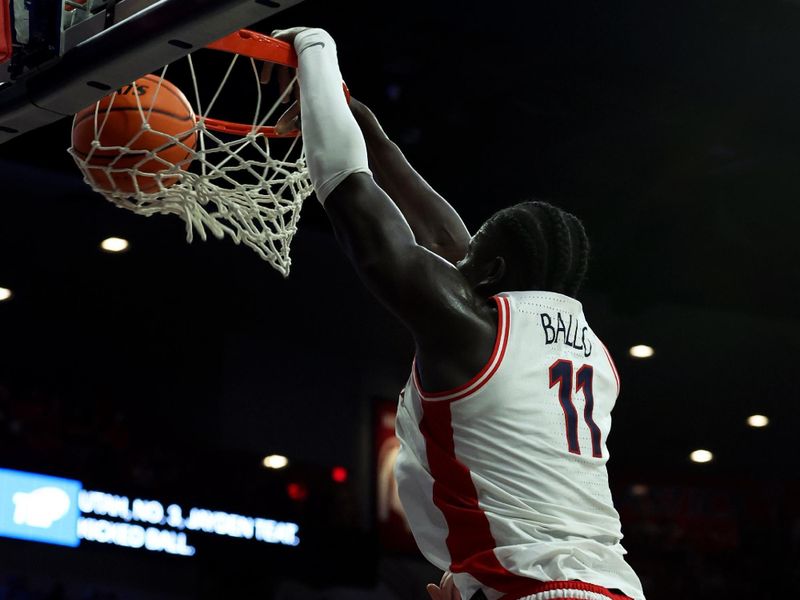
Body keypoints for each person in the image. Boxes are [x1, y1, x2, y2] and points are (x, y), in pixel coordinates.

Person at [263, 27, 646, 600]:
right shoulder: (589, 352)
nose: (456, 254)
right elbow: (448, 241)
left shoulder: (472, 332)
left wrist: (316, 50)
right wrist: (363, 123)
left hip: (535, 588)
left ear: (489, 274)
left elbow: (348, 193)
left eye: (475, 251)